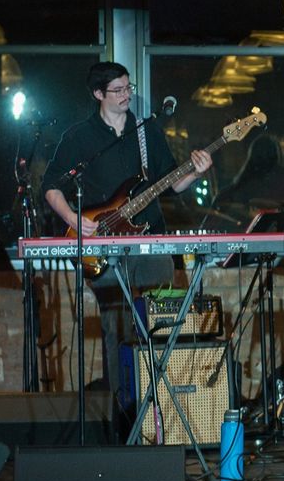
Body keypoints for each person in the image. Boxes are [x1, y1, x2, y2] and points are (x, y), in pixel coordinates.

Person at [43, 61, 212, 427]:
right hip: (102, 246)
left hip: (150, 240)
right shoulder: (79, 137)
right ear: (98, 94)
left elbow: (173, 183)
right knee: (117, 326)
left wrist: (196, 170)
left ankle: (164, 409)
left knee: (160, 321)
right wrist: (75, 221)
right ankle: (124, 415)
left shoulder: (146, 131)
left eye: (128, 88)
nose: (126, 96)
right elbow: (51, 186)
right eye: (117, 90)